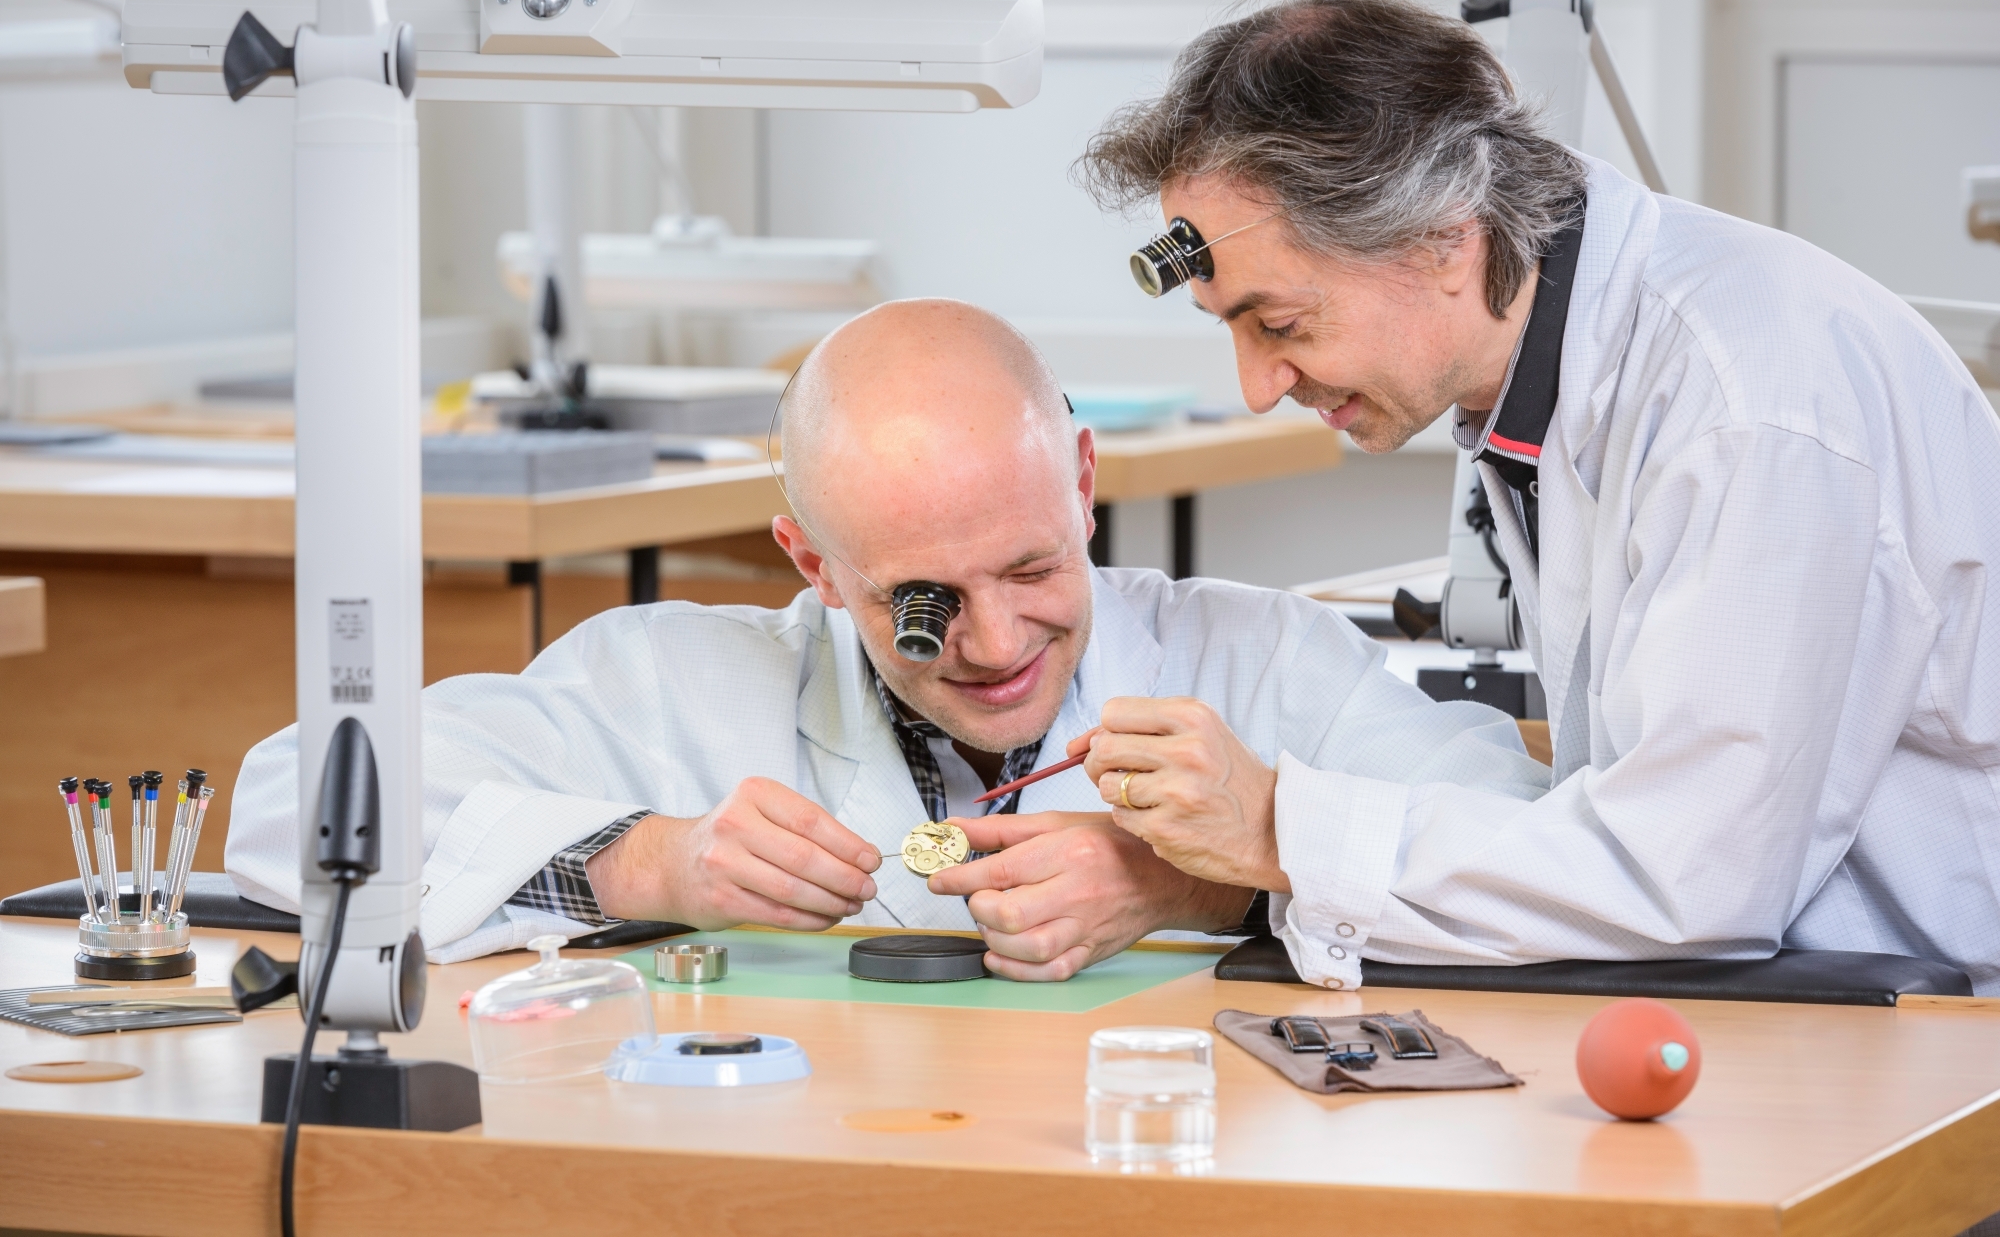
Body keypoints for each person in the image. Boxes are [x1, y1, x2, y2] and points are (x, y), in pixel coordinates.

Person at [1066, 0, 2000, 994]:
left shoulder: (1746, 403)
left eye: (1280, 323)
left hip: (1935, 1045)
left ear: (1440, 240)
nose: (1255, 384)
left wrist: (1279, 827)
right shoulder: (1543, 390)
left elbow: (1688, 879)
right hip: (1794, 1000)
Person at [225, 298, 1547, 973]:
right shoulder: (670, 682)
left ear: (1084, 480)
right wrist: (640, 863)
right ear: (809, 557)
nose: (990, 640)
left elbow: (1542, 857)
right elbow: (293, 799)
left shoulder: (1261, 663)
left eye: (1033, 564)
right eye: (920, 600)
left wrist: (1219, 876)